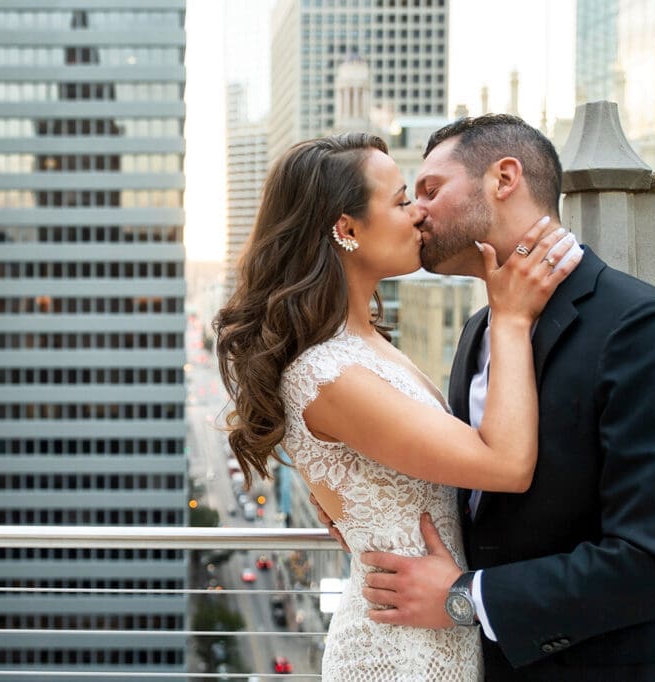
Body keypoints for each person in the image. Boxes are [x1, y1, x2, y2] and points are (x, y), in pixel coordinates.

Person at [335, 114, 655, 681]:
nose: (418, 211)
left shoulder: (644, 328)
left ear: (504, 178)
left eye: (432, 190)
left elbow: (654, 564)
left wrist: (466, 597)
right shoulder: (478, 332)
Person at [214, 131, 580, 680]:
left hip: (434, 630)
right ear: (347, 229)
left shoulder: (366, 345)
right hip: (398, 654)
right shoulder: (326, 372)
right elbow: (506, 464)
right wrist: (510, 317)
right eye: (403, 199)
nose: (419, 216)